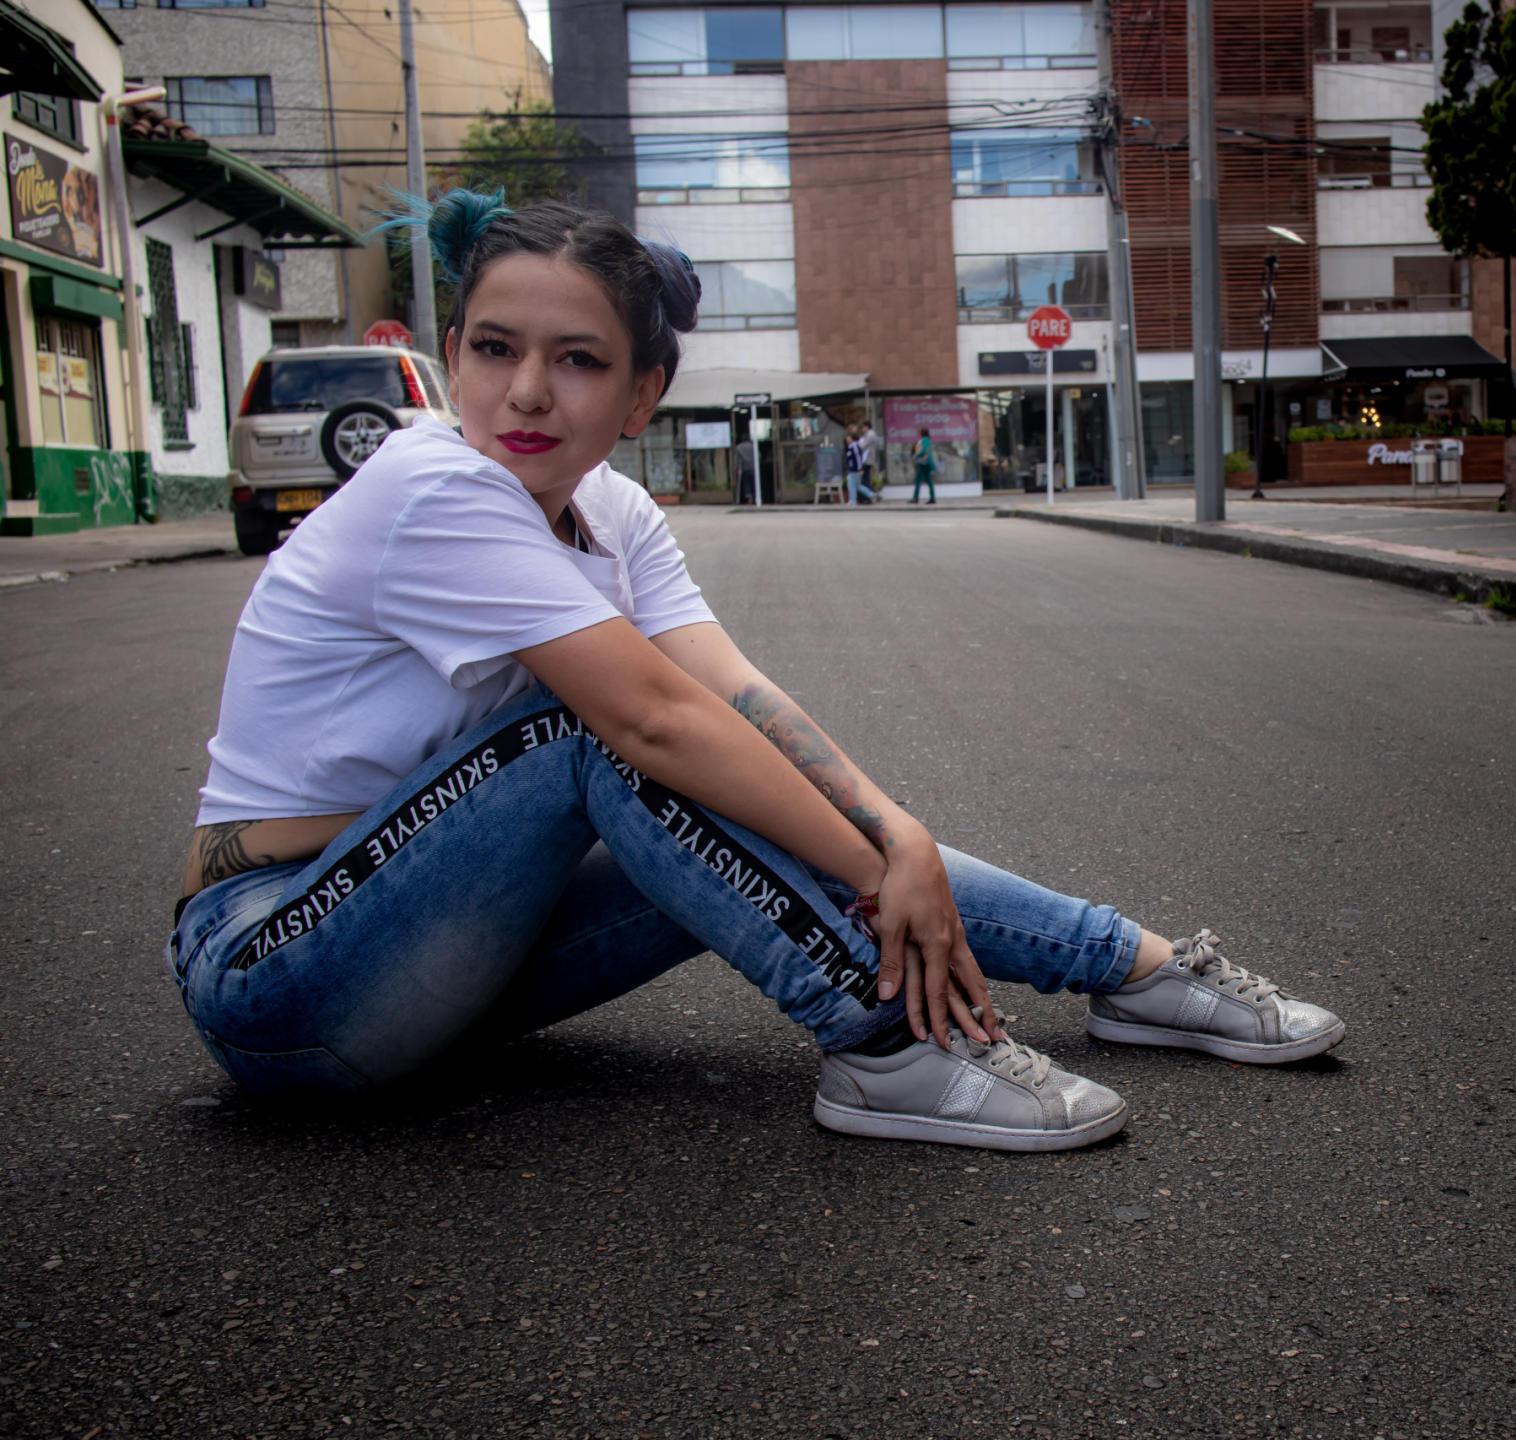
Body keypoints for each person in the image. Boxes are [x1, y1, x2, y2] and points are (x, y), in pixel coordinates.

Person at [167, 192, 1345, 1152]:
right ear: (450, 359)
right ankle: (889, 1045)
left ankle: (1131, 968)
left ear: (641, 394)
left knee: (735, 782)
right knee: (604, 733)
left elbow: (738, 700)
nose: (525, 390)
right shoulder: (435, 489)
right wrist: (880, 870)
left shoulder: (612, 510)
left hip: (455, 958)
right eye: (494, 348)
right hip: (279, 975)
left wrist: (897, 832)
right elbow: (655, 721)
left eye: (577, 360)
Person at [843, 423, 878, 506]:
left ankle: (853, 500)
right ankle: (870, 494)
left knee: (852, 485)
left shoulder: (854, 446)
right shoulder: (851, 446)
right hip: (853, 468)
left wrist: (860, 468)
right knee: (857, 485)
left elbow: (858, 458)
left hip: (854, 469)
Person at [909, 426, 937, 505]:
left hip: (923, 463)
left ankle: (915, 498)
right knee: (928, 481)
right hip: (927, 463)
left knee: (918, 480)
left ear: (922, 433)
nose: (919, 434)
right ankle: (932, 498)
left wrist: (916, 455)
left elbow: (923, 450)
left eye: (920, 432)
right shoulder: (928, 440)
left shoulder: (924, 440)